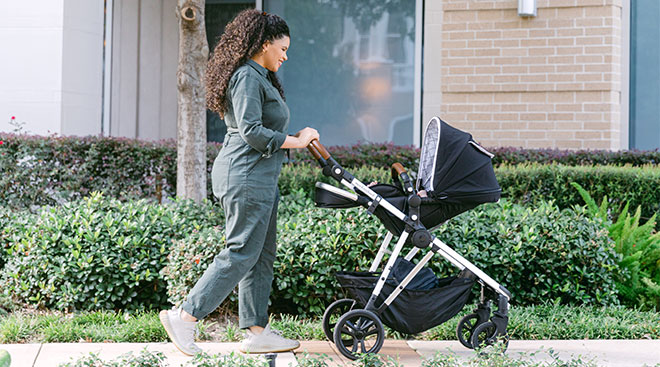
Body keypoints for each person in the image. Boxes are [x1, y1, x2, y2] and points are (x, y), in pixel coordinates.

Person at [159, 9, 319, 356]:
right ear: (263, 44)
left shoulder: (259, 75)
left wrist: (292, 139)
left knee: (261, 254)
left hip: (260, 175)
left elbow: (261, 130)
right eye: (282, 48)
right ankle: (185, 317)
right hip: (245, 175)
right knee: (242, 251)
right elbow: (251, 132)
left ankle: (257, 329)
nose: (286, 56)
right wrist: (298, 140)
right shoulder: (247, 76)